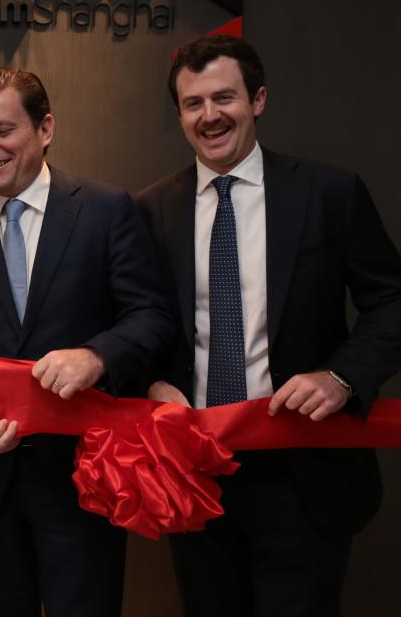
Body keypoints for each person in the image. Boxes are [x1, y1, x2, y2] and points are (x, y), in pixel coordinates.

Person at [137, 35, 401, 616]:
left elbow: (391, 302)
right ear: (180, 114)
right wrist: (153, 383)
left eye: (224, 97)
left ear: (258, 99)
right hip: (196, 472)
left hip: (303, 474)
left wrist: (341, 376)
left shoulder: (329, 193)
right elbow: (141, 322)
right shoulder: (152, 209)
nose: (209, 116)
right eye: (192, 103)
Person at [0, 67, 173, 617]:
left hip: (87, 475)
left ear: (45, 128)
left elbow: (152, 317)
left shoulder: (107, 208)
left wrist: (97, 356)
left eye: (3, 129)